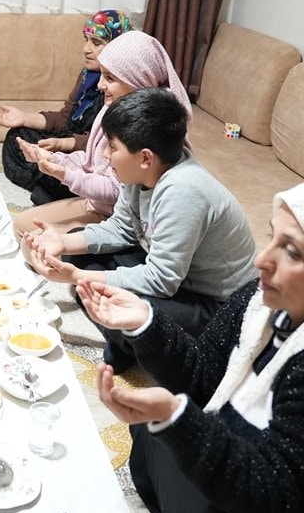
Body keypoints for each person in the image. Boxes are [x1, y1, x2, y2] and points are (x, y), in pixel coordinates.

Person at [75, 182, 304, 513]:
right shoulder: (255, 300)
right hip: (236, 459)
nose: (263, 259)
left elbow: (274, 496)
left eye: (291, 251)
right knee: (151, 432)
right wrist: (145, 322)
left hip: (267, 505)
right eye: (272, 238)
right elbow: (203, 376)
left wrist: (177, 420)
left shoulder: (184, 190)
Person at [27, 89, 257, 373]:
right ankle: (127, 336)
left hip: (219, 307)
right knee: (80, 242)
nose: (105, 154)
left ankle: (131, 342)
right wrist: (61, 242)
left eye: (112, 147)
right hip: (180, 279)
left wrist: (77, 278)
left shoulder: (183, 191)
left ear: (145, 157)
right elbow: (121, 229)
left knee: (136, 310)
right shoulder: (139, 173)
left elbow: (162, 280)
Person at [12, 30, 193, 238]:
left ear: (138, 79)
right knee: (22, 225)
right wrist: (53, 158)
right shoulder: (111, 109)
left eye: (110, 78)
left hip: (118, 220)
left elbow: (116, 191)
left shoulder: (145, 127)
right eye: (101, 75)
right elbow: (91, 161)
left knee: (33, 240)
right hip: (96, 203)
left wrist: (63, 173)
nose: (100, 85)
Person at [0, 9, 132, 205]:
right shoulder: (87, 75)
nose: (86, 49)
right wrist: (24, 118)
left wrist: (64, 144)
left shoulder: (125, 84)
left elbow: (107, 146)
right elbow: (64, 118)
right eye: (86, 39)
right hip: (72, 142)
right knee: (17, 137)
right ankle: (55, 190)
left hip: (96, 156)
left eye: (96, 42)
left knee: (63, 166)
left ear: (117, 47)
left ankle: (62, 191)